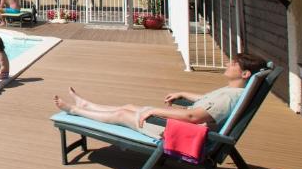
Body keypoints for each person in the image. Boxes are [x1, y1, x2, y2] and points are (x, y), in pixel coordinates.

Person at [52, 53, 268, 137]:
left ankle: (75, 110)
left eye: (233, 64)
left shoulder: (230, 97)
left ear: (245, 73)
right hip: (178, 124)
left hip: (179, 131)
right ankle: (86, 104)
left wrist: (155, 110)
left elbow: (194, 117)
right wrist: (183, 93)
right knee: (127, 105)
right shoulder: (232, 92)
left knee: (121, 114)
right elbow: (205, 101)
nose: (227, 65)